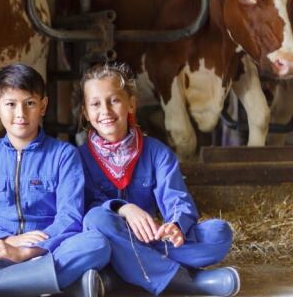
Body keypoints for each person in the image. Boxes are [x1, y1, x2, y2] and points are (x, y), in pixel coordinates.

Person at [0, 63, 111, 297]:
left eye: (30, 103)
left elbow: (70, 217)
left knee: (96, 245)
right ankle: (55, 285)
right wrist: (8, 241)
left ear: (43, 106)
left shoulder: (65, 155)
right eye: (11, 104)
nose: (21, 114)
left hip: (47, 250)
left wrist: (29, 251)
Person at [77, 62, 240, 296]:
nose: (105, 111)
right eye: (95, 104)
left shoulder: (157, 152)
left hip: (150, 241)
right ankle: (188, 282)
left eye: (114, 100)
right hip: (105, 241)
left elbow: (178, 200)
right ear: (85, 112)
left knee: (219, 234)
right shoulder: (77, 158)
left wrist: (175, 225)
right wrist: (123, 209)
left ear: (131, 103)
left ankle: (119, 278)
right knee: (96, 219)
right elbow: (80, 211)